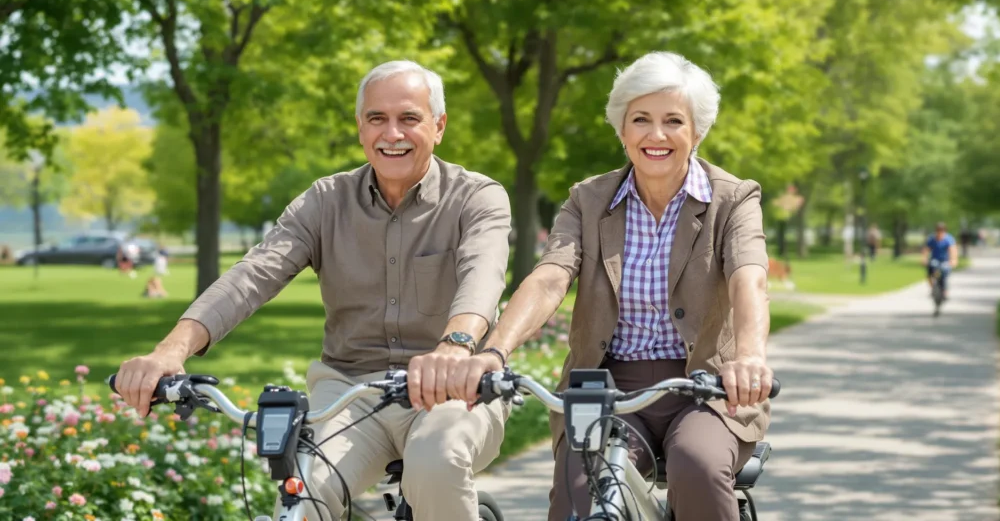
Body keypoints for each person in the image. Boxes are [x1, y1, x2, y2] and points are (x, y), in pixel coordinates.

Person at [112, 60, 512, 521]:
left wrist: (455, 345)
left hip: (455, 389)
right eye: (377, 119)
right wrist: (170, 350)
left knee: (436, 461)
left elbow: (483, 273)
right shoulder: (324, 201)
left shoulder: (477, 197)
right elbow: (253, 274)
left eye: (409, 118)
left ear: (438, 126)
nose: (392, 134)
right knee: (302, 492)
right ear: (360, 128)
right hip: (349, 394)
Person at [447, 52, 773, 521]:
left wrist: (750, 358)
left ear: (697, 132)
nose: (655, 135)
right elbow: (549, 278)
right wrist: (493, 352)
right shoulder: (588, 199)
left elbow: (749, 278)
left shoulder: (733, 198)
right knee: (582, 483)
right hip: (607, 388)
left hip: (707, 386)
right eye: (640, 119)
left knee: (697, 465)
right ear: (621, 129)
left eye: (673, 121)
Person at [923, 221, 958, 299]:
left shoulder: (948, 239)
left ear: (944, 231)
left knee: (944, 274)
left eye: (942, 230)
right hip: (935, 260)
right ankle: (933, 288)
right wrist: (924, 259)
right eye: (938, 230)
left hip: (945, 260)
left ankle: (945, 292)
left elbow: (952, 250)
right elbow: (926, 249)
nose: (940, 232)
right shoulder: (932, 239)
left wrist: (953, 260)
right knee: (930, 273)